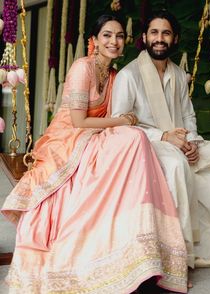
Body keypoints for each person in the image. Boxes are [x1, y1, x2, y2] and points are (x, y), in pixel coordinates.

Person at [1, 15, 188, 293]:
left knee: (134, 141)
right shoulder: (82, 67)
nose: (114, 41)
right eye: (107, 36)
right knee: (132, 136)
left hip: (96, 136)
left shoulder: (114, 75)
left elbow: (118, 118)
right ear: (94, 41)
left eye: (120, 36)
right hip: (68, 138)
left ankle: (136, 250)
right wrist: (123, 122)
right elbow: (78, 121)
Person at [112, 9, 210, 269]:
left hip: (183, 143)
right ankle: (180, 256)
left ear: (175, 39)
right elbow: (120, 126)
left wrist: (191, 142)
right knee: (178, 167)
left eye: (166, 33)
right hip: (149, 146)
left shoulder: (179, 74)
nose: (160, 38)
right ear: (144, 37)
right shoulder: (128, 76)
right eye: (154, 32)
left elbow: (189, 118)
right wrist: (164, 136)